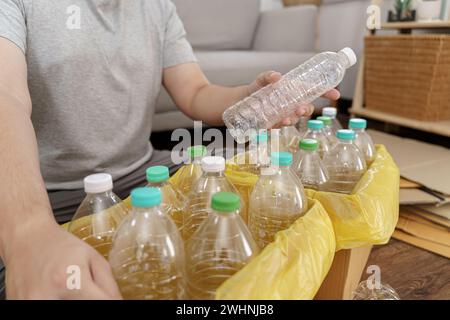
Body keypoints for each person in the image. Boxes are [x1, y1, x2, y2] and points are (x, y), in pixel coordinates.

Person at [0, 0, 339, 299]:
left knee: (237, 198)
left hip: (144, 174)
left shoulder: (158, 7)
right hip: (47, 193)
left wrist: (250, 98)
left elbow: (194, 92)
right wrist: (29, 231)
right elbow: (7, 98)